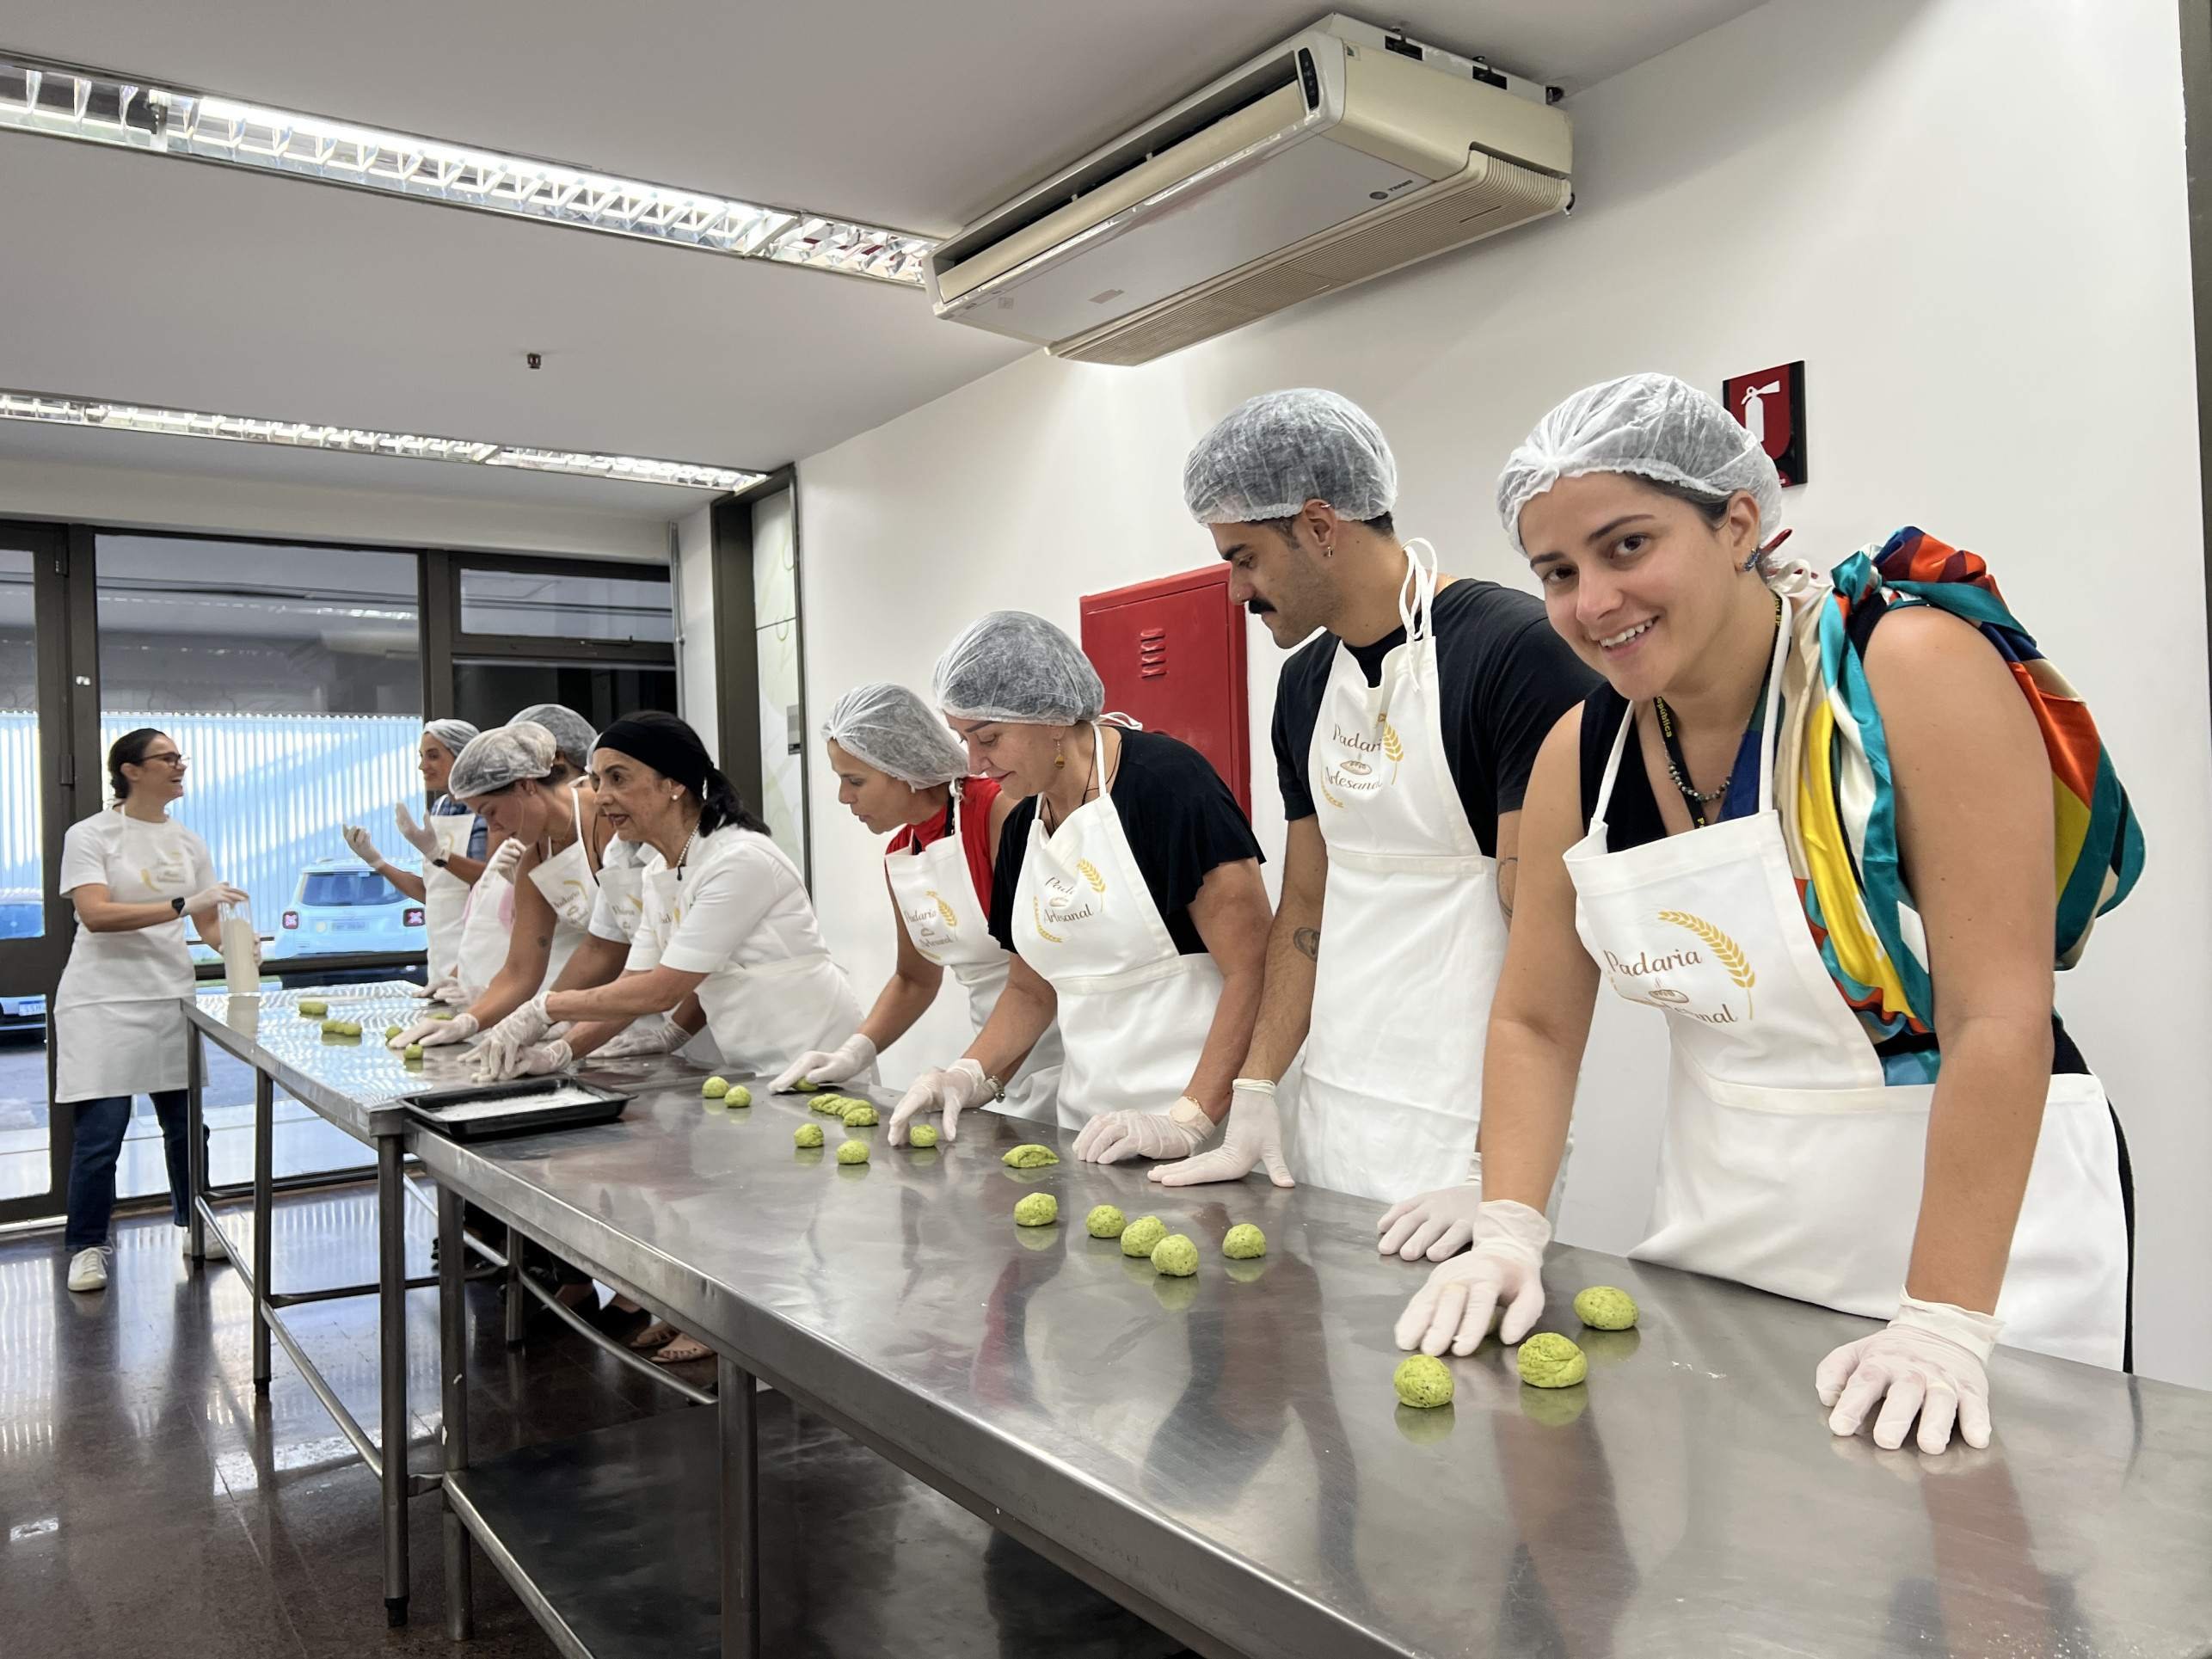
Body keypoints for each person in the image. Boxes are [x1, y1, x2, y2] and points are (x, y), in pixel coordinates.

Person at [1392, 372, 2141, 1457]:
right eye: (1556, 571)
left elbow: (1998, 1017)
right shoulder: (1582, 755)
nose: (1591, 600)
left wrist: (1939, 1320)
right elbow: (1536, 1022)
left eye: (1625, 547)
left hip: (1982, 1237)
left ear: (1738, 521)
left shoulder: (1902, 670)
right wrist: (1507, 1221)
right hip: (1732, 1212)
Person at [1154, 389, 1594, 1201]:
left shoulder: (1514, 651)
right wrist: (1256, 1088)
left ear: (1320, 528)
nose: (1235, 592)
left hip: (1474, 1125)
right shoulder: (1303, 686)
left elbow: (1539, 924)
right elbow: (1308, 902)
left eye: (1244, 558)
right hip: (1336, 1106)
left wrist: (1496, 1165)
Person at [887, 612, 1272, 1161]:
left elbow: (1254, 965)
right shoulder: (1024, 826)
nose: (975, 762)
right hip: (1090, 1135)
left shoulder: (1166, 785)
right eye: (963, 739)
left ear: (1050, 718)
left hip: (1210, 1129)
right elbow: (1030, 989)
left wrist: (1191, 1119)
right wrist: (967, 1075)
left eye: (988, 737)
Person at [768, 683, 1062, 1116]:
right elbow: (915, 979)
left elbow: (1038, 976)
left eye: (855, 780)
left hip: (1060, 1047)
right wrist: (854, 1053)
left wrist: (969, 1074)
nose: (844, 797)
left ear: (903, 767)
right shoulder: (902, 856)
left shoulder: (997, 814)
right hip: (993, 1061)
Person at [53, 728, 249, 1293]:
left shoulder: (187, 840)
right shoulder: (91, 834)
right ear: (131, 769)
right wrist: (185, 904)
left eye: (180, 757)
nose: (179, 766)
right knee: (101, 1136)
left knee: (186, 1127)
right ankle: (87, 1246)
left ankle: (195, 1225)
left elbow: (209, 921)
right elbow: (95, 913)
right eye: (167, 758)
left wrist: (236, 946)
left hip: (169, 996)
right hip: (101, 999)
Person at [390, 710, 612, 1060]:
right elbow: (521, 970)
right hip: (589, 1014)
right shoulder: (535, 857)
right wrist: (466, 1023)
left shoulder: (607, 821)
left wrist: (541, 1012)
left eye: (491, 812)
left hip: (640, 1004)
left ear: (526, 785)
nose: (493, 829)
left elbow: (614, 946)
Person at [337, 717, 494, 998]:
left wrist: (438, 853)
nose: (423, 766)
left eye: (434, 756)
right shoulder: (442, 808)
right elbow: (432, 892)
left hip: (482, 960)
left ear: (464, 757)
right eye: (422, 756)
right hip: (441, 960)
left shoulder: (486, 812)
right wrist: (377, 862)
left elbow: (491, 885)